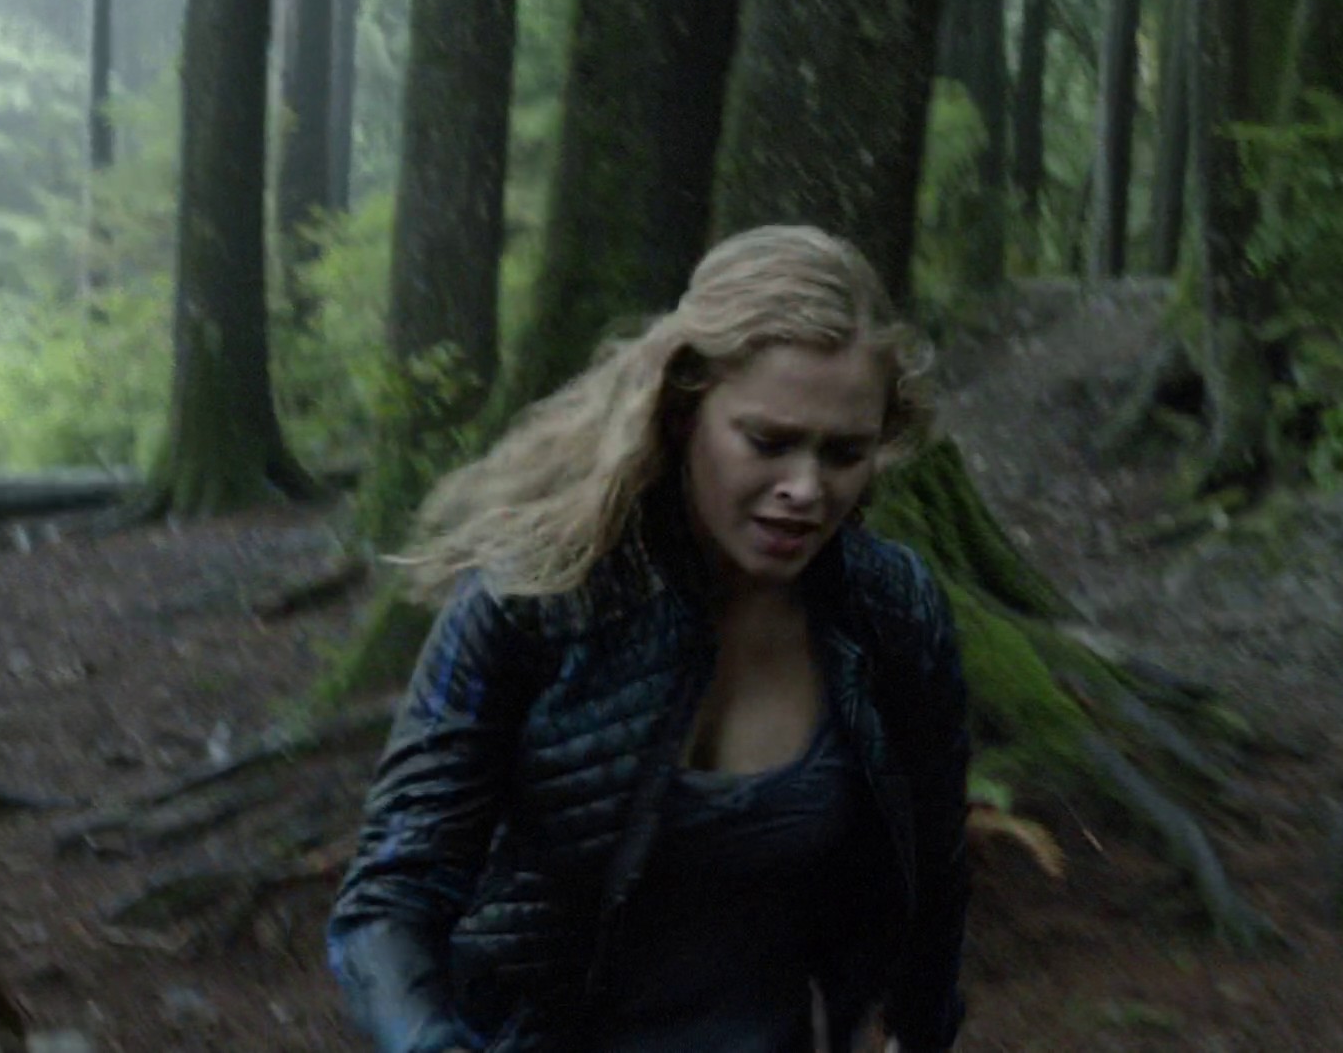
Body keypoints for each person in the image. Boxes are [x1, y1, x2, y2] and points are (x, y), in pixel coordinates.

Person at [327, 225, 972, 1053]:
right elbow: (389, 901)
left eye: (845, 453)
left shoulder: (892, 612)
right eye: (769, 442)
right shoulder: (538, 597)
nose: (806, 489)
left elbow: (934, 883)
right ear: (681, 410)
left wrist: (920, 1033)